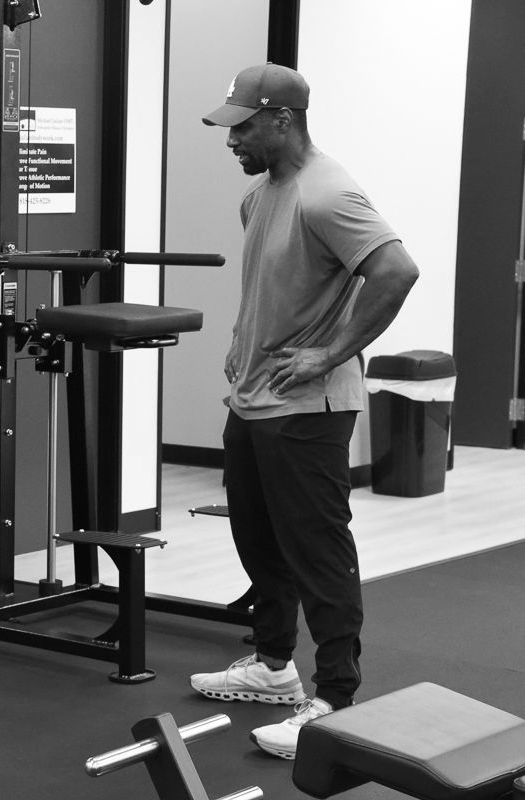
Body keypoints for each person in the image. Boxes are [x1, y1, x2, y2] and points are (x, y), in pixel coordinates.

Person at [192, 64, 419, 760]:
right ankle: (273, 666)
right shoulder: (261, 197)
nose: (232, 139)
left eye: (244, 126)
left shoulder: (329, 193)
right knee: (259, 542)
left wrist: (329, 354)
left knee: (317, 552)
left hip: (309, 408)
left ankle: (335, 698)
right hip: (256, 401)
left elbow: (396, 271)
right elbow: (273, 284)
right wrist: (242, 344)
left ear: (283, 120)